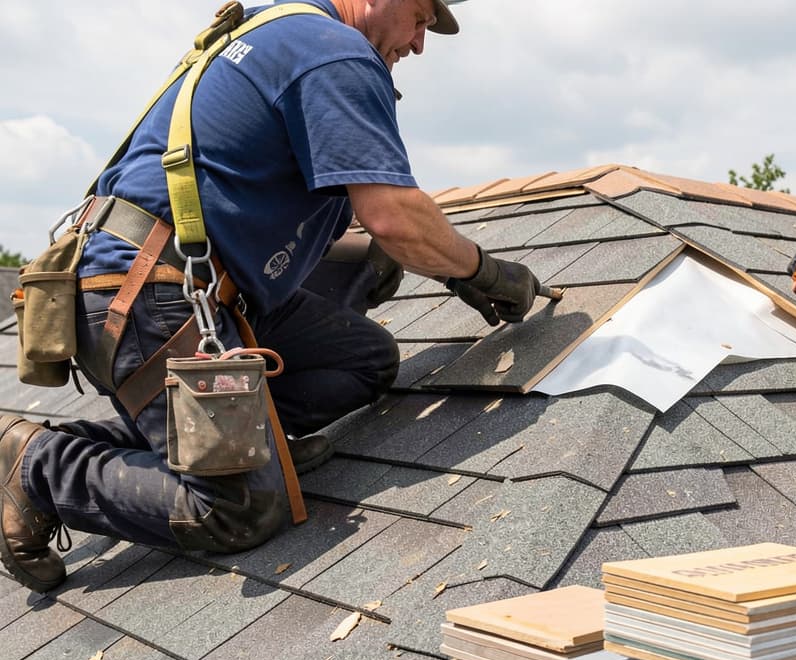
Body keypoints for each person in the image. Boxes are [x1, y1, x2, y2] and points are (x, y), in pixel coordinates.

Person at [1, 0, 541, 592]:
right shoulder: (334, 51)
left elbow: (272, 200)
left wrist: (382, 250)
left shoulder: (276, 30)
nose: (418, 43)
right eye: (419, 16)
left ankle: (217, 443)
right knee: (237, 510)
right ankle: (37, 467)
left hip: (162, 282)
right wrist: (482, 271)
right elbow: (391, 215)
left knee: (360, 360)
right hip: (149, 298)